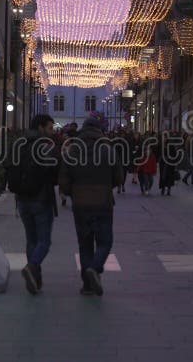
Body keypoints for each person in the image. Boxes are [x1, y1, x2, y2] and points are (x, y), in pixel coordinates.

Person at [59, 117, 123, 296]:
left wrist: (71, 193)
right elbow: (119, 177)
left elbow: (64, 178)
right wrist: (107, 186)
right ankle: (95, 268)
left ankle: (87, 285)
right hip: (103, 202)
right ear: (99, 130)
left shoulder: (73, 150)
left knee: (85, 244)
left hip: (80, 204)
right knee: (105, 241)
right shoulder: (108, 149)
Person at [13, 115, 58, 295]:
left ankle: (35, 280)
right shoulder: (45, 146)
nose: (52, 132)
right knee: (44, 241)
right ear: (40, 128)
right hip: (41, 198)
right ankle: (31, 267)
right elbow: (54, 170)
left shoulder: (19, 143)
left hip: (22, 199)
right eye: (49, 128)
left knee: (31, 240)